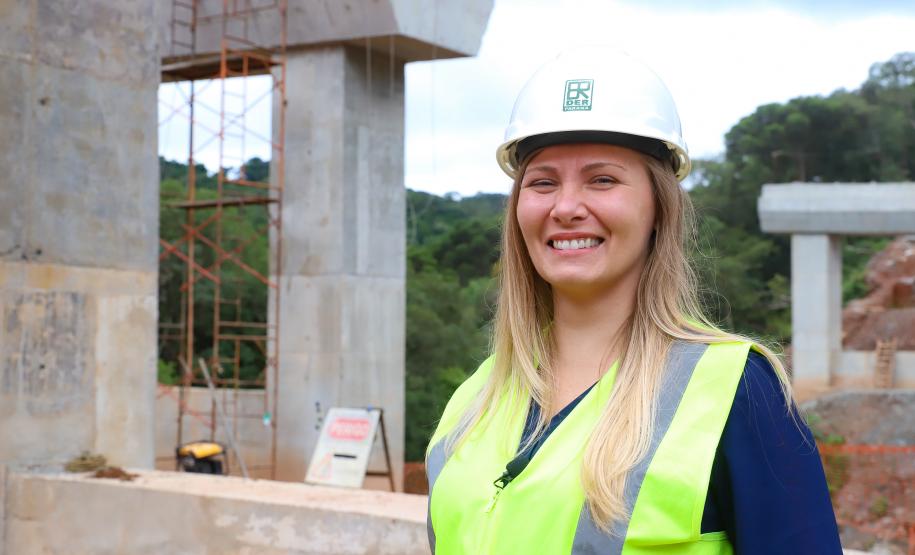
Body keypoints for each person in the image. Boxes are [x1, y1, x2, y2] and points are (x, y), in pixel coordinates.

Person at [424, 48, 843, 554]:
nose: (567, 207)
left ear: (658, 209)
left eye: (602, 179)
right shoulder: (476, 398)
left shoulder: (737, 393)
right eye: (542, 182)